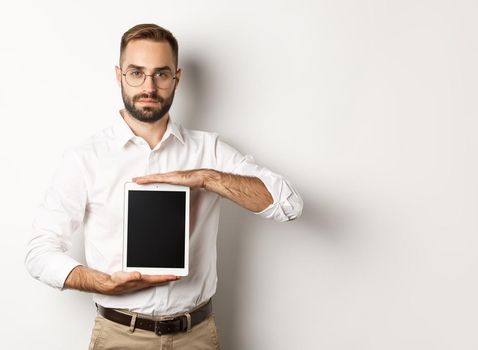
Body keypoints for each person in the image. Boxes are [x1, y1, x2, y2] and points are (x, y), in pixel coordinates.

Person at [24, 23, 303, 349]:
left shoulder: (209, 151)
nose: (149, 86)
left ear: (177, 78)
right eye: (136, 73)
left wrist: (207, 178)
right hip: (118, 335)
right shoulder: (85, 158)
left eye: (161, 74)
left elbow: (289, 205)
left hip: (196, 336)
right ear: (119, 76)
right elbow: (39, 252)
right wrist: (102, 283)